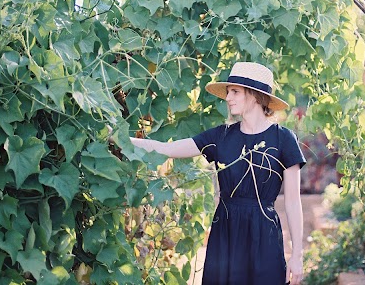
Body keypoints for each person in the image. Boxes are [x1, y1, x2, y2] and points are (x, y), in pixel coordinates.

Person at [130, 62, 306, 285]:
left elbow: (293, 202)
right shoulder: (221, 136)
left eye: (235, 92)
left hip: (264, 236)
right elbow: (166, 149)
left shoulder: (284, 139)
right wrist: (122, 140)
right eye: (228, 92)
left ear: (254, 95)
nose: (228, 98)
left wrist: (297, 255)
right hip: (226, 231)